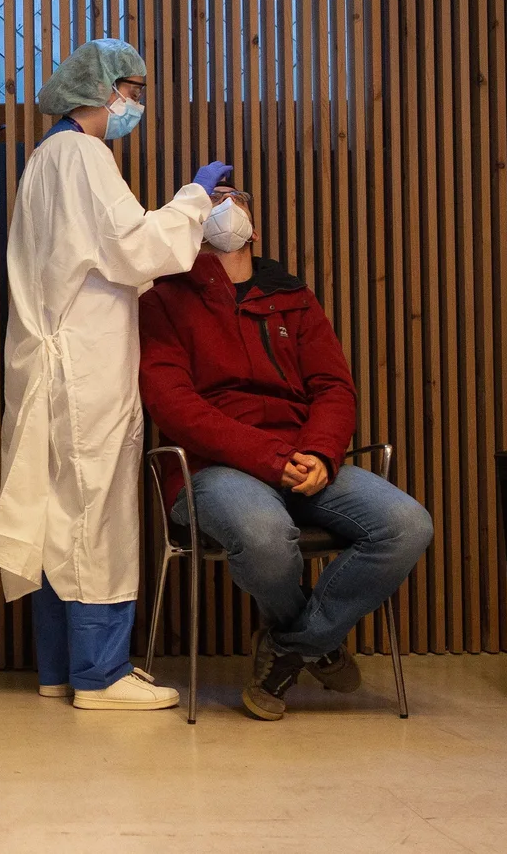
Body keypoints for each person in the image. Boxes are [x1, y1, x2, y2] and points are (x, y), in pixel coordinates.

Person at [0, 38, 232, 710]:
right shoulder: (85, 156)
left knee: (59, 513)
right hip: (86, 369)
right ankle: (100, 674)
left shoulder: (44, 159)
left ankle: (60, 667)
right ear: (100, 89)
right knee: (99, 514)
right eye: (132, 89)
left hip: (47, 366)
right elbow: (134, 247)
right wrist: (196, 198)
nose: (135, 104)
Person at [138, 189, 432, 720]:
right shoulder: (162, 298)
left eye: (235, 199)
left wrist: (319, 453)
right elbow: (174, 405)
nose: (223, 205)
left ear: (253, 228)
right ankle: (316, 644)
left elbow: (334, 388)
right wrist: (273, 458)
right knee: (264, 534)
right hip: (212, 469)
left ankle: (291, 644)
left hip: (305, 460)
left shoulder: (292, 296)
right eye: (211, 198)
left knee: (407, 525)